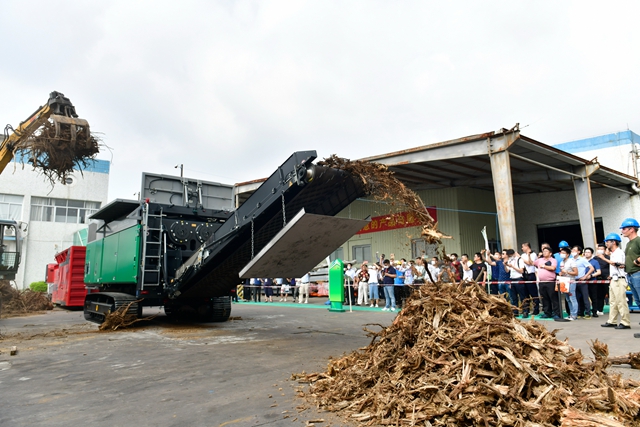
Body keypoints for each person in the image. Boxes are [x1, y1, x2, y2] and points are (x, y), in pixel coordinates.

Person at [600, 233, 631, 329]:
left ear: (613, 242)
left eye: (607, 242)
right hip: (614, 279)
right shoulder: (613, 253)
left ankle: (625, 322)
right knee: (613, 301)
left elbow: (618, 264)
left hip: (619, 279)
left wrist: (604, 258)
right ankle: (612, 321)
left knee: (621, 301)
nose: (606, 244)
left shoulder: (619, 252)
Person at [620, 218, 640, 311]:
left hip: (637, 273)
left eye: (624, 228)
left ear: (631, 229)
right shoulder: (629, 244)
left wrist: (637, 261)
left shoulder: (638, 240)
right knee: (637, 300)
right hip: (630, 275)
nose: (622, 231)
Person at [534, 246, 559, 318]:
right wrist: (528, 255)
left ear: (550, 253)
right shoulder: (540, 260)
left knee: (553, 298)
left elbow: (553, 268)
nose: (544, 253)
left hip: (550, 282)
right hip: (542, 282)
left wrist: (544, 266)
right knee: (544, 298)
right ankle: (547, 313)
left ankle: (556, 313)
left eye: (546, 251)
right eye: (543, 251)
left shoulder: (553, 260)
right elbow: (531, 263)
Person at [571, 246, 595, 319]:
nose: (572, 251)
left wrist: (585, 276)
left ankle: (588, 313)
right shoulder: (571, 260)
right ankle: (579, 312)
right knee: (576, 298)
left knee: (585, 297)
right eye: (572, 250)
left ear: (579, 252)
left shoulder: (582, 260)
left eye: (574, 250)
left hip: (582, 280)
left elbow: (591, 268)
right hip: (573, 281)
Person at [504, 249, 527, 317]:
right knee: (514, 297)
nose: (510, 256)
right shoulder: (509, 260)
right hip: (512, 279)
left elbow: (521, 271)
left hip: (519, 278)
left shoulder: (519, 259)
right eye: (509, 256)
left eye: (511, 255)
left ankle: (525, 311)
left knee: (522, 296)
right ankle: (515, 311)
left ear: (514, 253)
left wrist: (513, 266)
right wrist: (505, 265)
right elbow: (507, 271)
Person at [558, 247, 578, 320]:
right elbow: (562, 271)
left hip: (571, 281)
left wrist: (567, 272)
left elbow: (576, 273)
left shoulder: (571, 262)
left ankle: (574, 315)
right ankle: (571, 314)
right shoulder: (561, 262)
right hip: (564, 281)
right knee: (568, 299)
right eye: (561, 253)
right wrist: (561, 273)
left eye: (563, 253)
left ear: (568, 254)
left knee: (572, 298)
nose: (562, 254)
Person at [520, 242, 540, 316]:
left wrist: (520, 257)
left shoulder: (533, 254)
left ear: (527, 247)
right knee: (525, 293)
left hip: (531, 275)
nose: (522, 248)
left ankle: (536, 309)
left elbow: (529, 263)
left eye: (523, 247)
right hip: (524, 275)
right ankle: (526, 309)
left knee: (533, 293)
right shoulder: (522, 255)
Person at [583, 247, 602, 318]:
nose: (587, 253)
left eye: (588, 252)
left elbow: (599, 272)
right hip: (583, 281)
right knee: (584, 297)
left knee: (593, 297)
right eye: (586, 252)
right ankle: (584, 311)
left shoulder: (595, 262)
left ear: (591, 254)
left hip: (592, 281)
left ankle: (594, 311)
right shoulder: (582, 260)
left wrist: (591, 275)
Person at [595, 243, 610, 315]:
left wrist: (610, 275)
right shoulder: (595, 258)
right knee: (599, 294)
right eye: (599, 249)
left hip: (607, 278)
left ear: (605, 250)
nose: (600, 250)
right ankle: (599, 309)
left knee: (611, 294)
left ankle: (616, 309)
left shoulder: (608, 258)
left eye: (602, 249)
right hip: (597, 278)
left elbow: (611, 266)